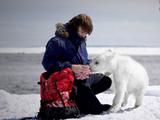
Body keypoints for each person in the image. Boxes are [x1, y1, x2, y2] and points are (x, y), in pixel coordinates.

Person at [42, 14, 112, 115]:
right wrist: (71, 67)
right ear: (75, 26)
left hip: (82, 79)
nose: (84, 35)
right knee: (97, 110)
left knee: (106, 80)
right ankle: (84, 102)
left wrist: (88, 66)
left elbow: (82, 60)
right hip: (68, 84)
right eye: (83, 31)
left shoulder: (81, 41)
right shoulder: (57, 42)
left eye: (86, 33)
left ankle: (80, 102)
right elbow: (47, 63)